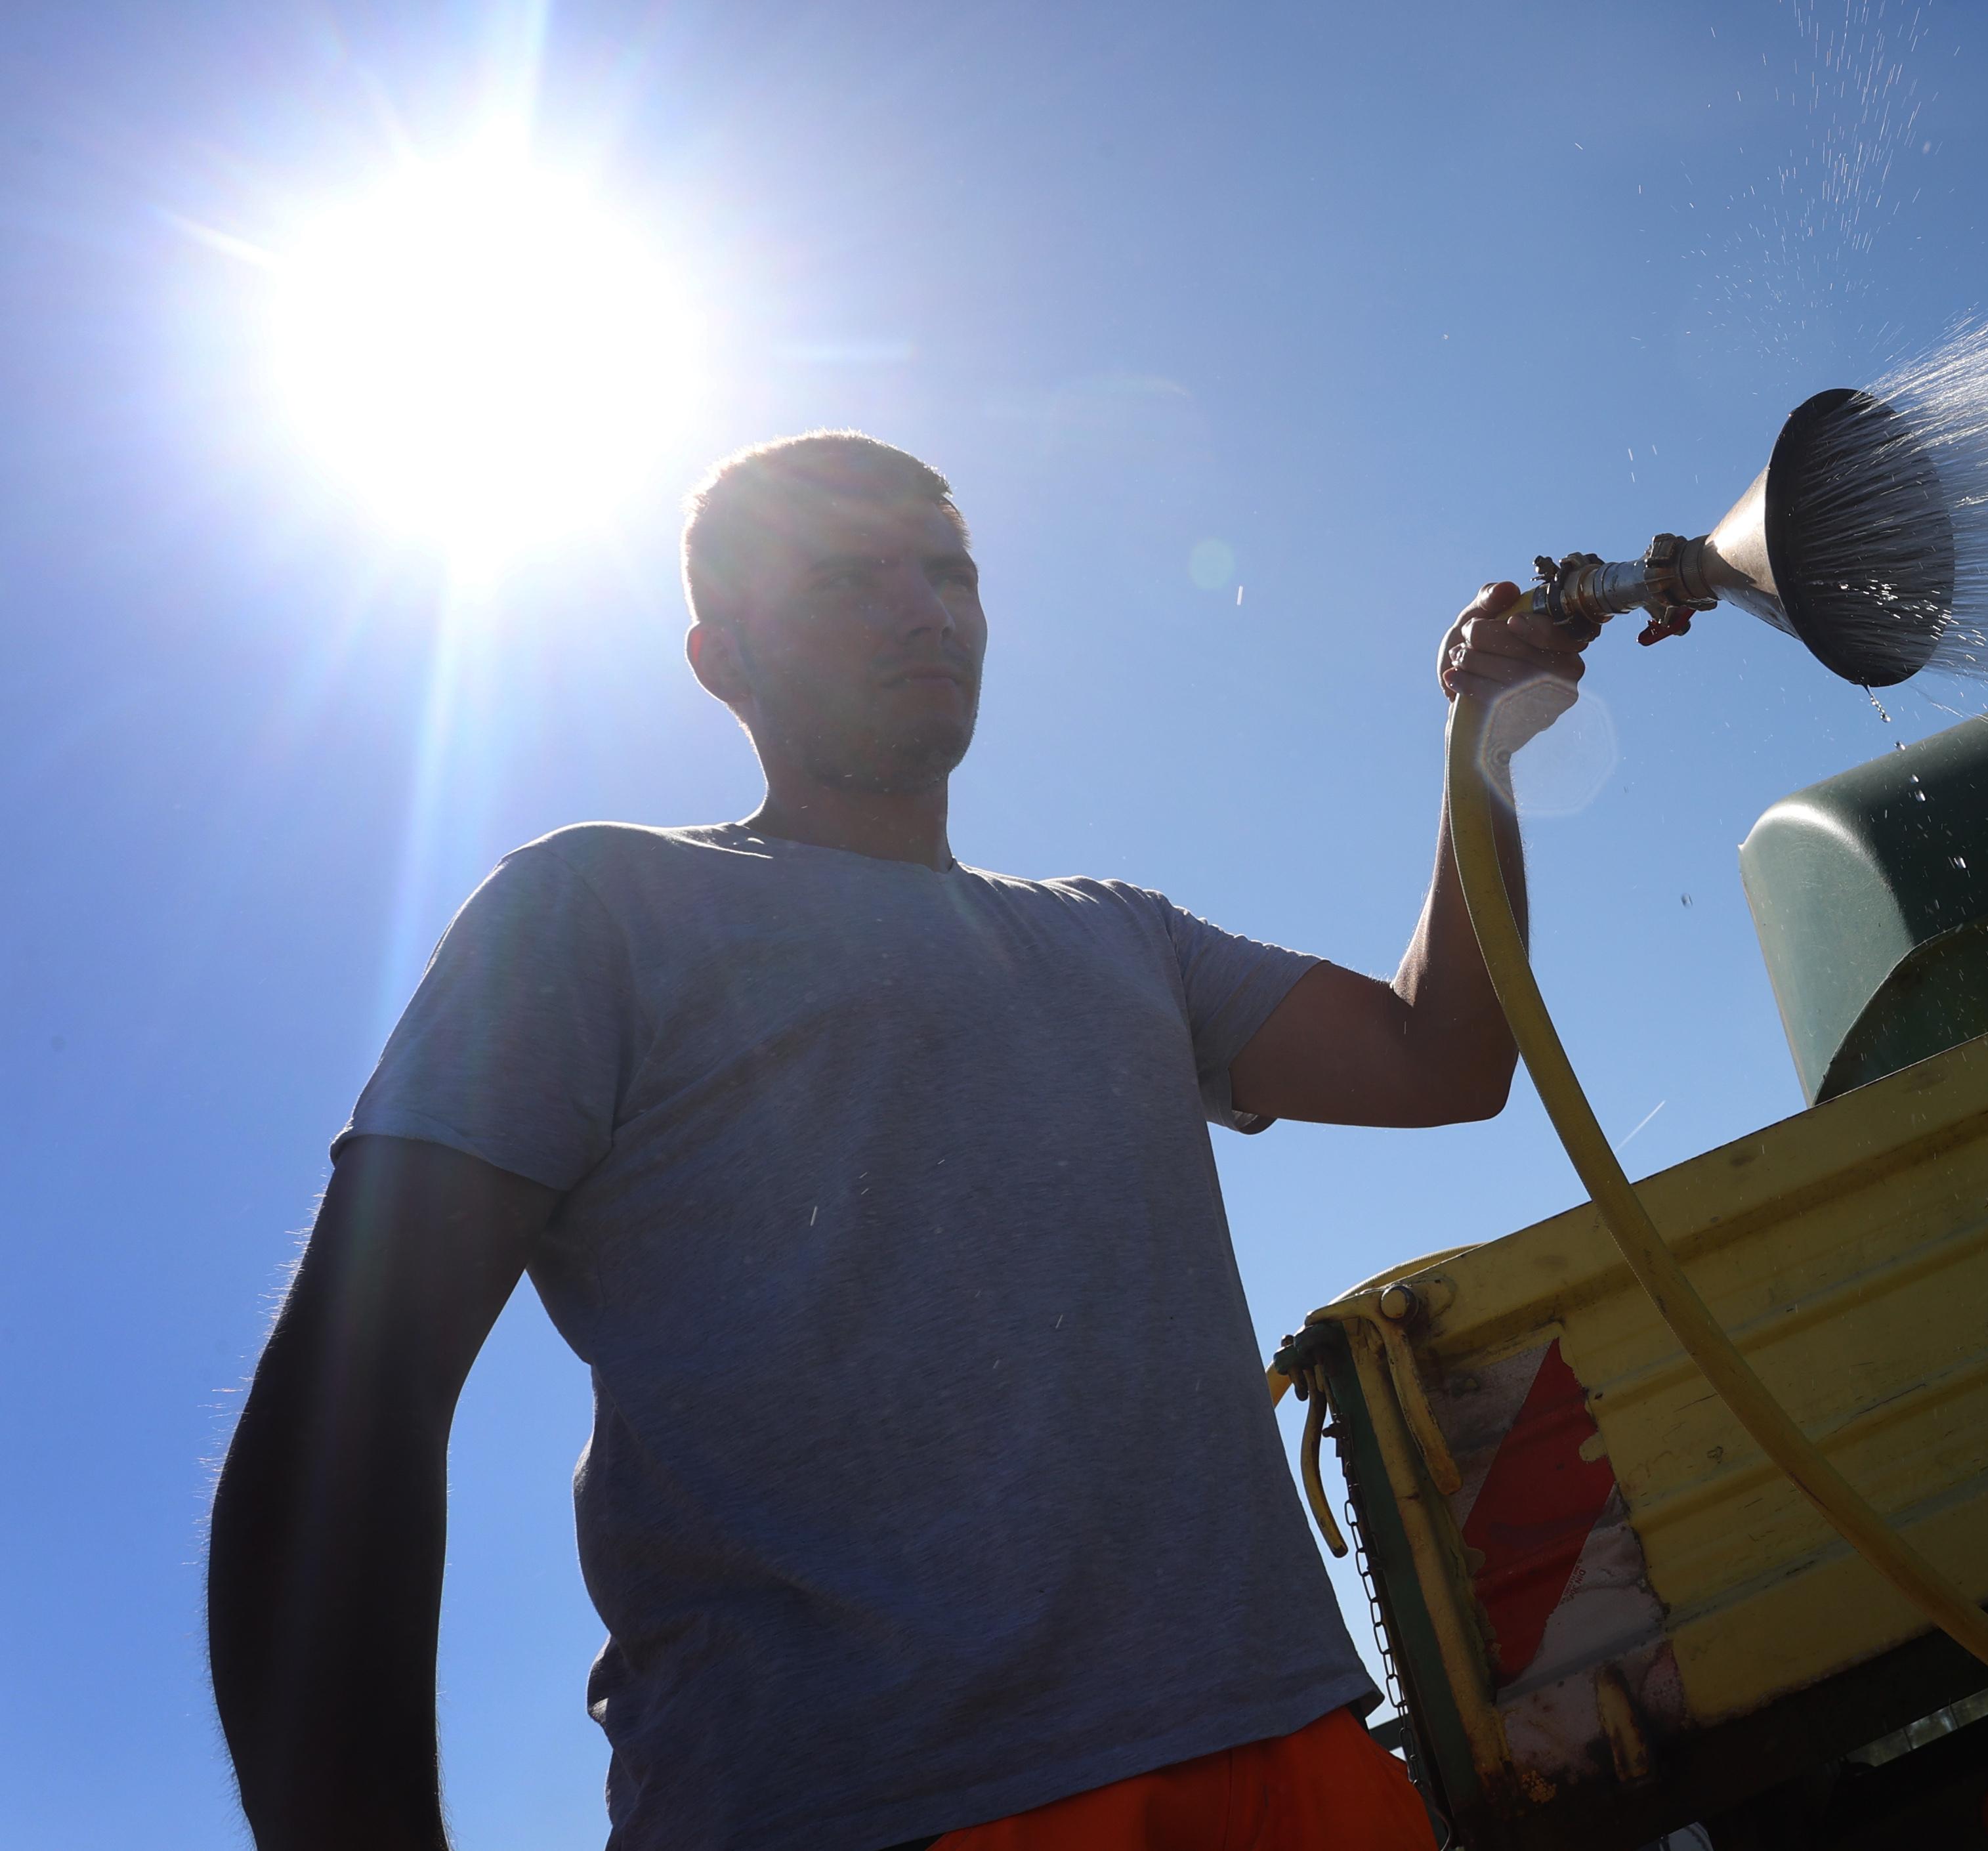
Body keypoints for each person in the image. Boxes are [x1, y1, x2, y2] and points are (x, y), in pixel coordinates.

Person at [207, 432, 1594, 1851]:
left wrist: (1481, 745)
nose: (926, 611)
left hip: (1292, 1754)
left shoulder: (1120, 935)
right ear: (723, 658)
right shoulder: (594, 910)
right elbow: (344, 1415)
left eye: (948, 573)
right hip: (866, 1805)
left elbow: (1445, 1058)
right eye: (847, 579)